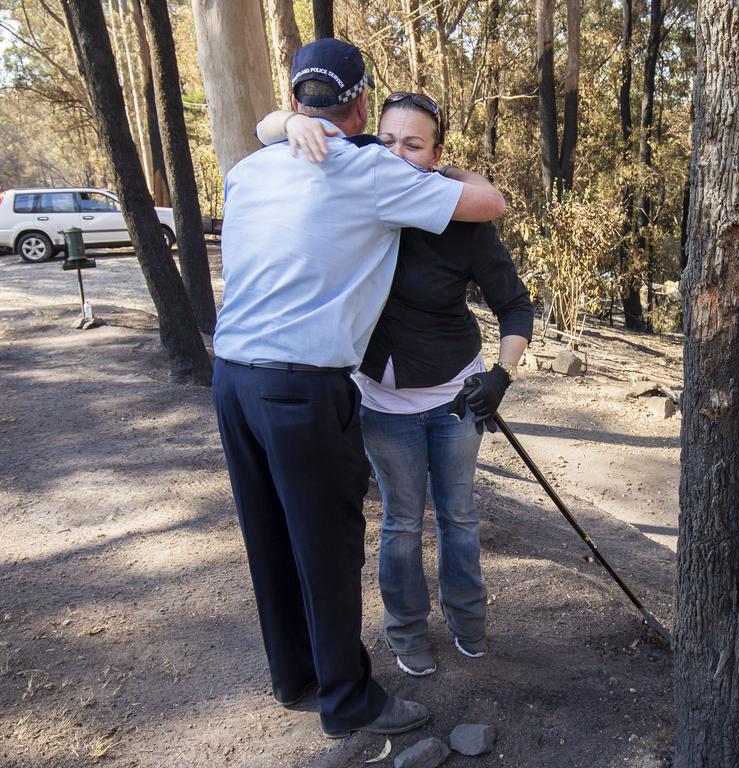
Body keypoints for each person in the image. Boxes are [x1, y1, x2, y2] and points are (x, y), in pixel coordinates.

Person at [212, 39, 506, 739]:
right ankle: (349, 703)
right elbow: (489, 202)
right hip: (300, 390)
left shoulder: (250, 170)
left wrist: (281, 127)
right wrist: (419, 156)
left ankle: (296, 677)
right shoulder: (374, 171)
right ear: (363, 104)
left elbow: (269, 130)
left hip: (231, 381)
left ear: (294, 100)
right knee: (328, 547)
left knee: (270, 536)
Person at [257, 92, 532, 678]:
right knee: (402, 523)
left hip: (457, 396)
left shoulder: (463, 221)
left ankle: (468, 619)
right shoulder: (355, 202)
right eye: (386, 141)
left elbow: (514, 306)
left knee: (458, 516)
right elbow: (274, 135)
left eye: (414, 144)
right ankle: (406, 629)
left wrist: (502, 376)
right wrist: (288, 121)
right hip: (382, 403)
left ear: (435, 155)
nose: (398, 154)